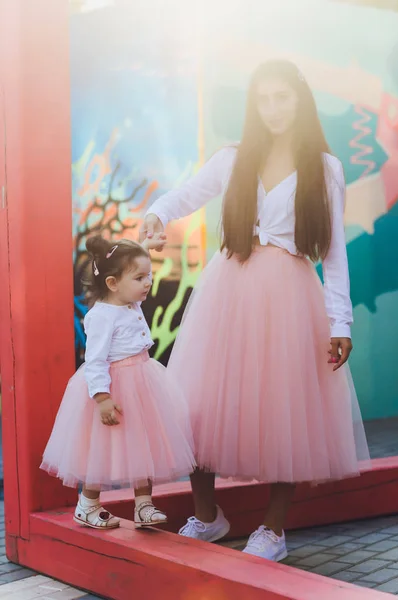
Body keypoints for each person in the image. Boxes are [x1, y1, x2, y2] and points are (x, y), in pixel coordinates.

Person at [140, 59, 370, 561]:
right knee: (199, 405)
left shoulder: (325, 168)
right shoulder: (233, 158)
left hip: (289, 295)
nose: (273, 109)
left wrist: (341, 322)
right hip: (227, 293)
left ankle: (273, 530)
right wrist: (155, 214)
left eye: (282, 98)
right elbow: (186, 195)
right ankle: (207, 515)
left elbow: (332, 253)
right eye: (263, 100)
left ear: (300, 100)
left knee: (287, 409)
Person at [41, 233, 195, 530]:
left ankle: (144, 505)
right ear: (112, 284)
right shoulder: (102, 316)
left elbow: (129, 260)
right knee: (98, 449)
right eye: (140, 278)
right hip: (114, 389)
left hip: (143, 382)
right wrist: (102, 398)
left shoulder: (129, 301)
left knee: (143, 442)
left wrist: (144, 248)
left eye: (148, 275)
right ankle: (87, 505)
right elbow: (95, 360)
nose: (148, 283)